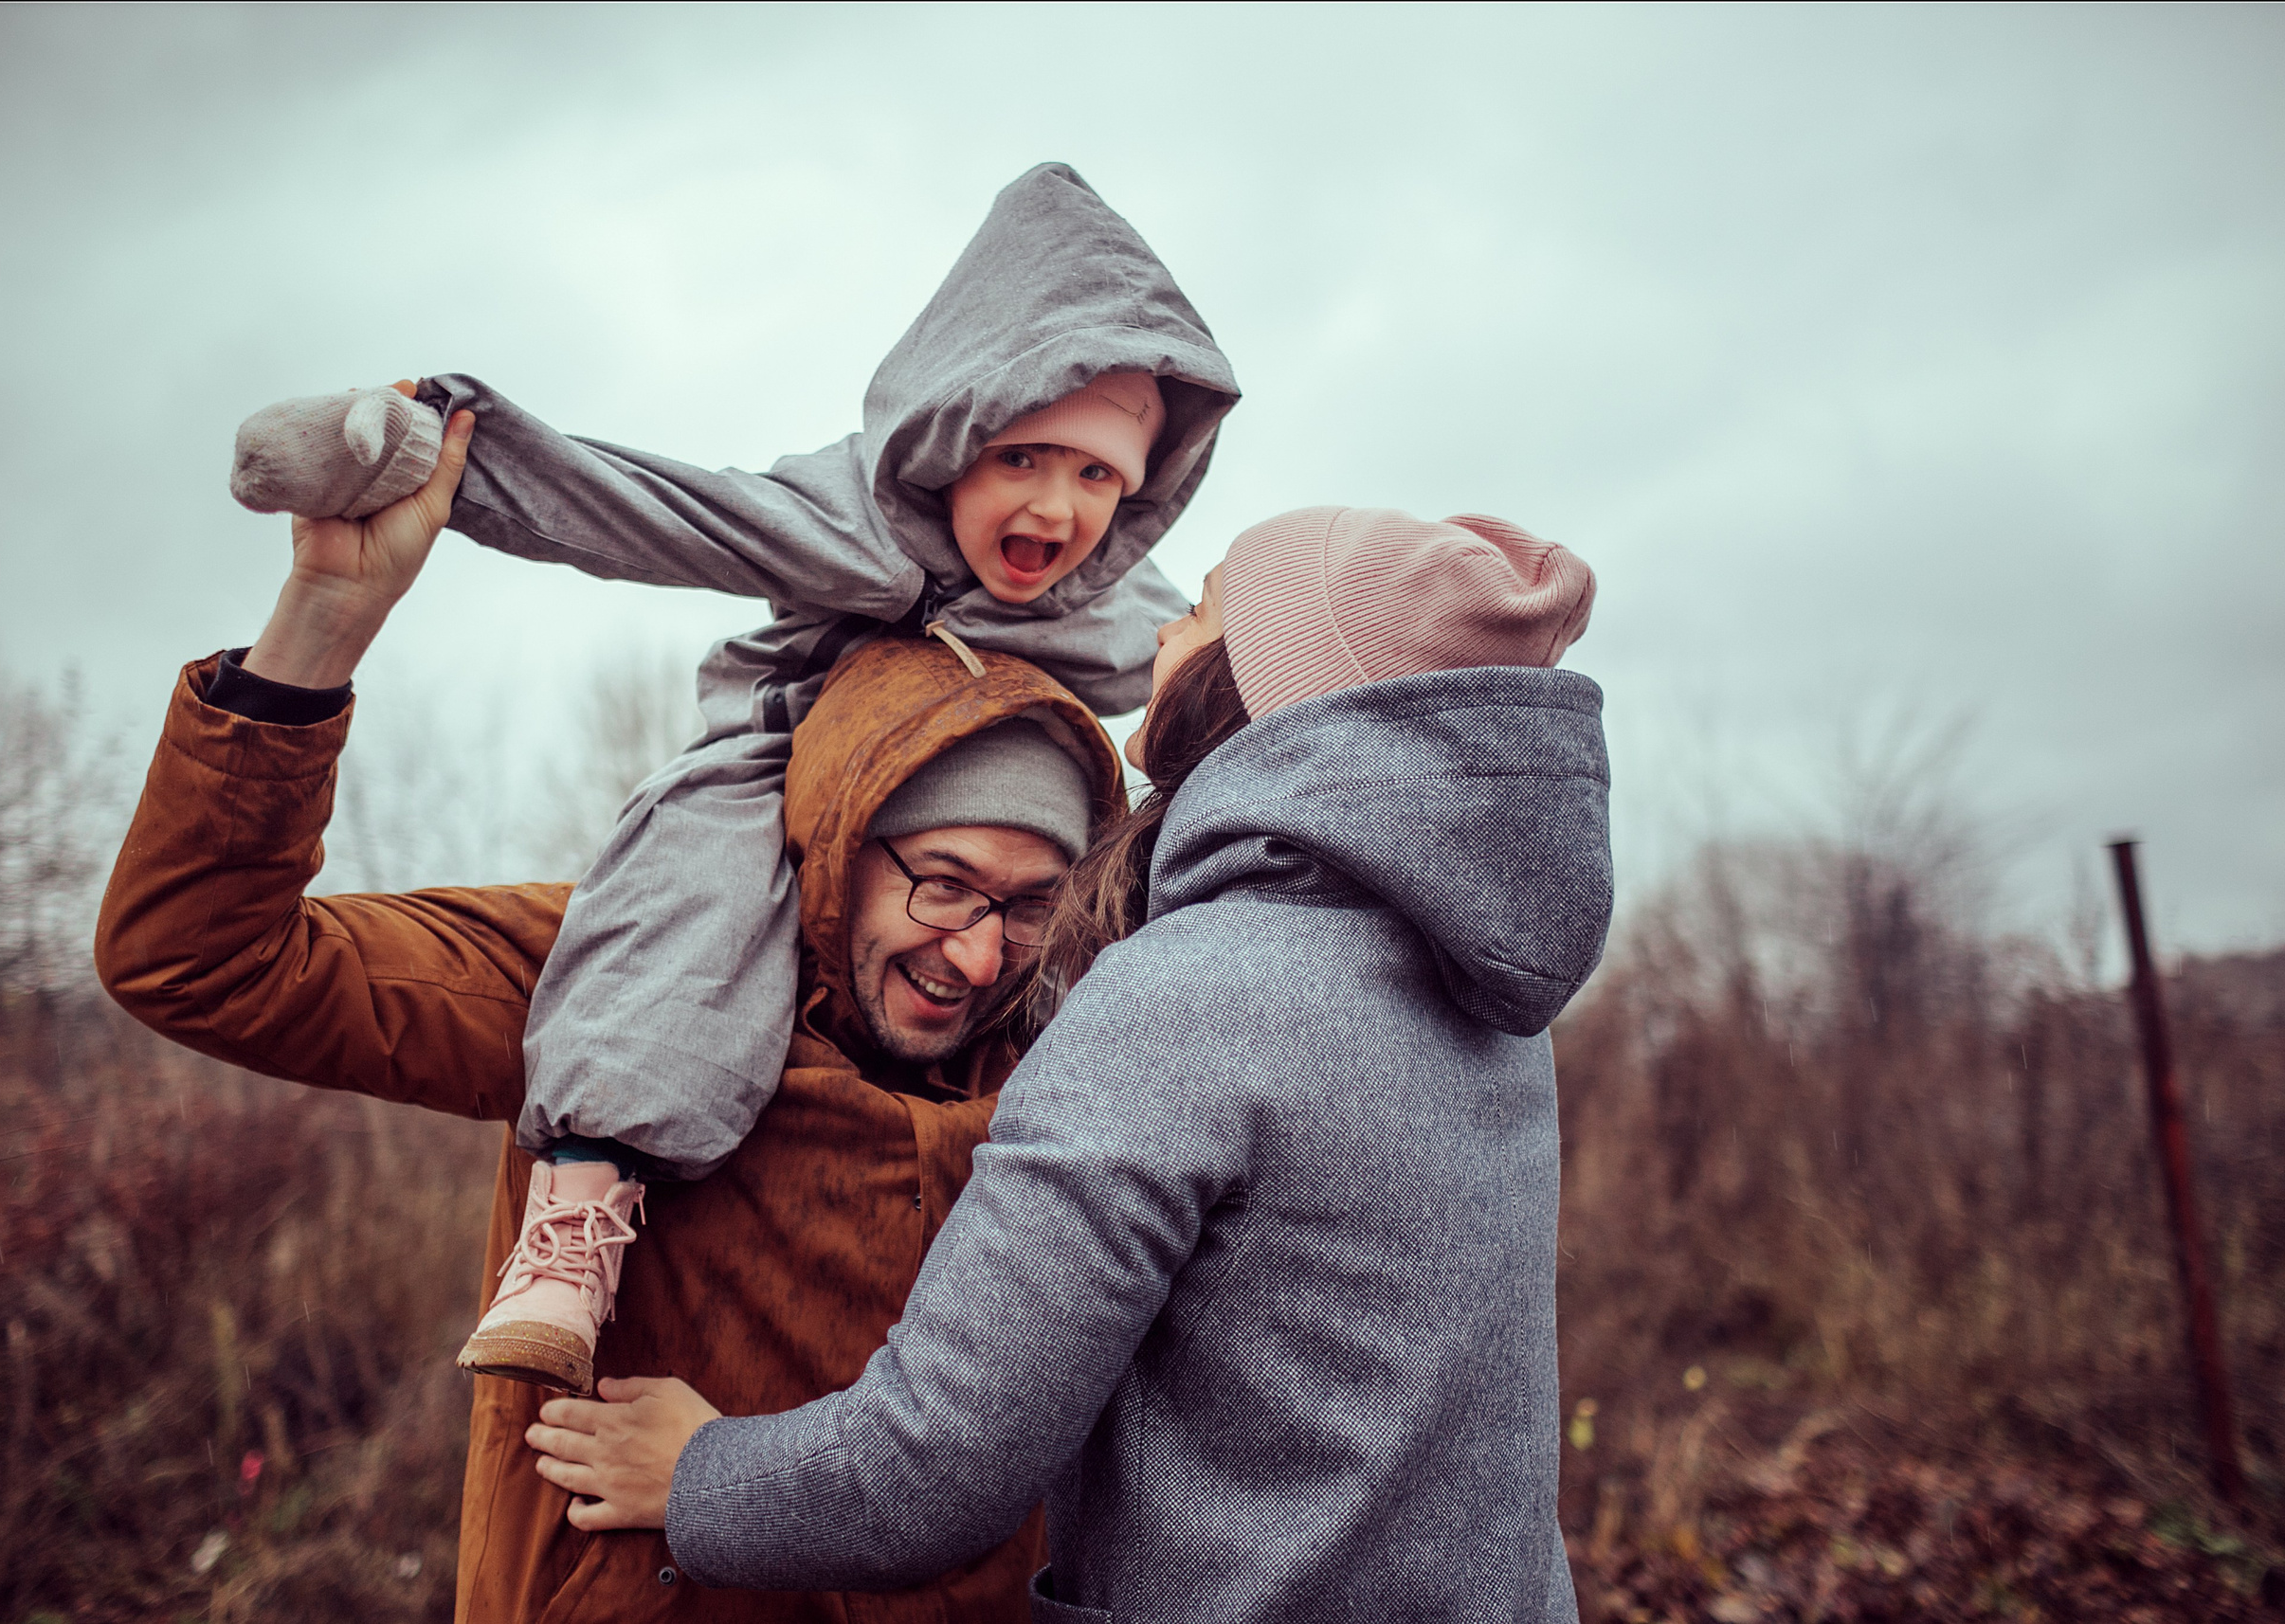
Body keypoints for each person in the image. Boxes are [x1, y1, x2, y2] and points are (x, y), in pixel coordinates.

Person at [225, 161, 1241, 1393]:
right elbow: (657, 512)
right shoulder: (857, 527)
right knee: (692, 878)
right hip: (781, 765)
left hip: (993, 778)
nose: (1060, 507)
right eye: (1025, 457)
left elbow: (1239, 666)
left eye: (1100, 476)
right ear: (951, 441)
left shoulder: (1111, 607)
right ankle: (579, 1210)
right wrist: (427, 454)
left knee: (1114, 892)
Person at [94, 408, 1121, 1621]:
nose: (979, 951)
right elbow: (199, 956)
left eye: (1030, 903)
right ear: (840, 840)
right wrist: (324, 619)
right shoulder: (618, 977)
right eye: (942, 883)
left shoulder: (1085, 1056)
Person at [525, 506, 1612, 1623]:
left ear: (1264, 680)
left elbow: (932, 1467)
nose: (1161, 637)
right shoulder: (1492, 1008)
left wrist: (698, 1471)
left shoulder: (1184, 999)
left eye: (1200, 611)